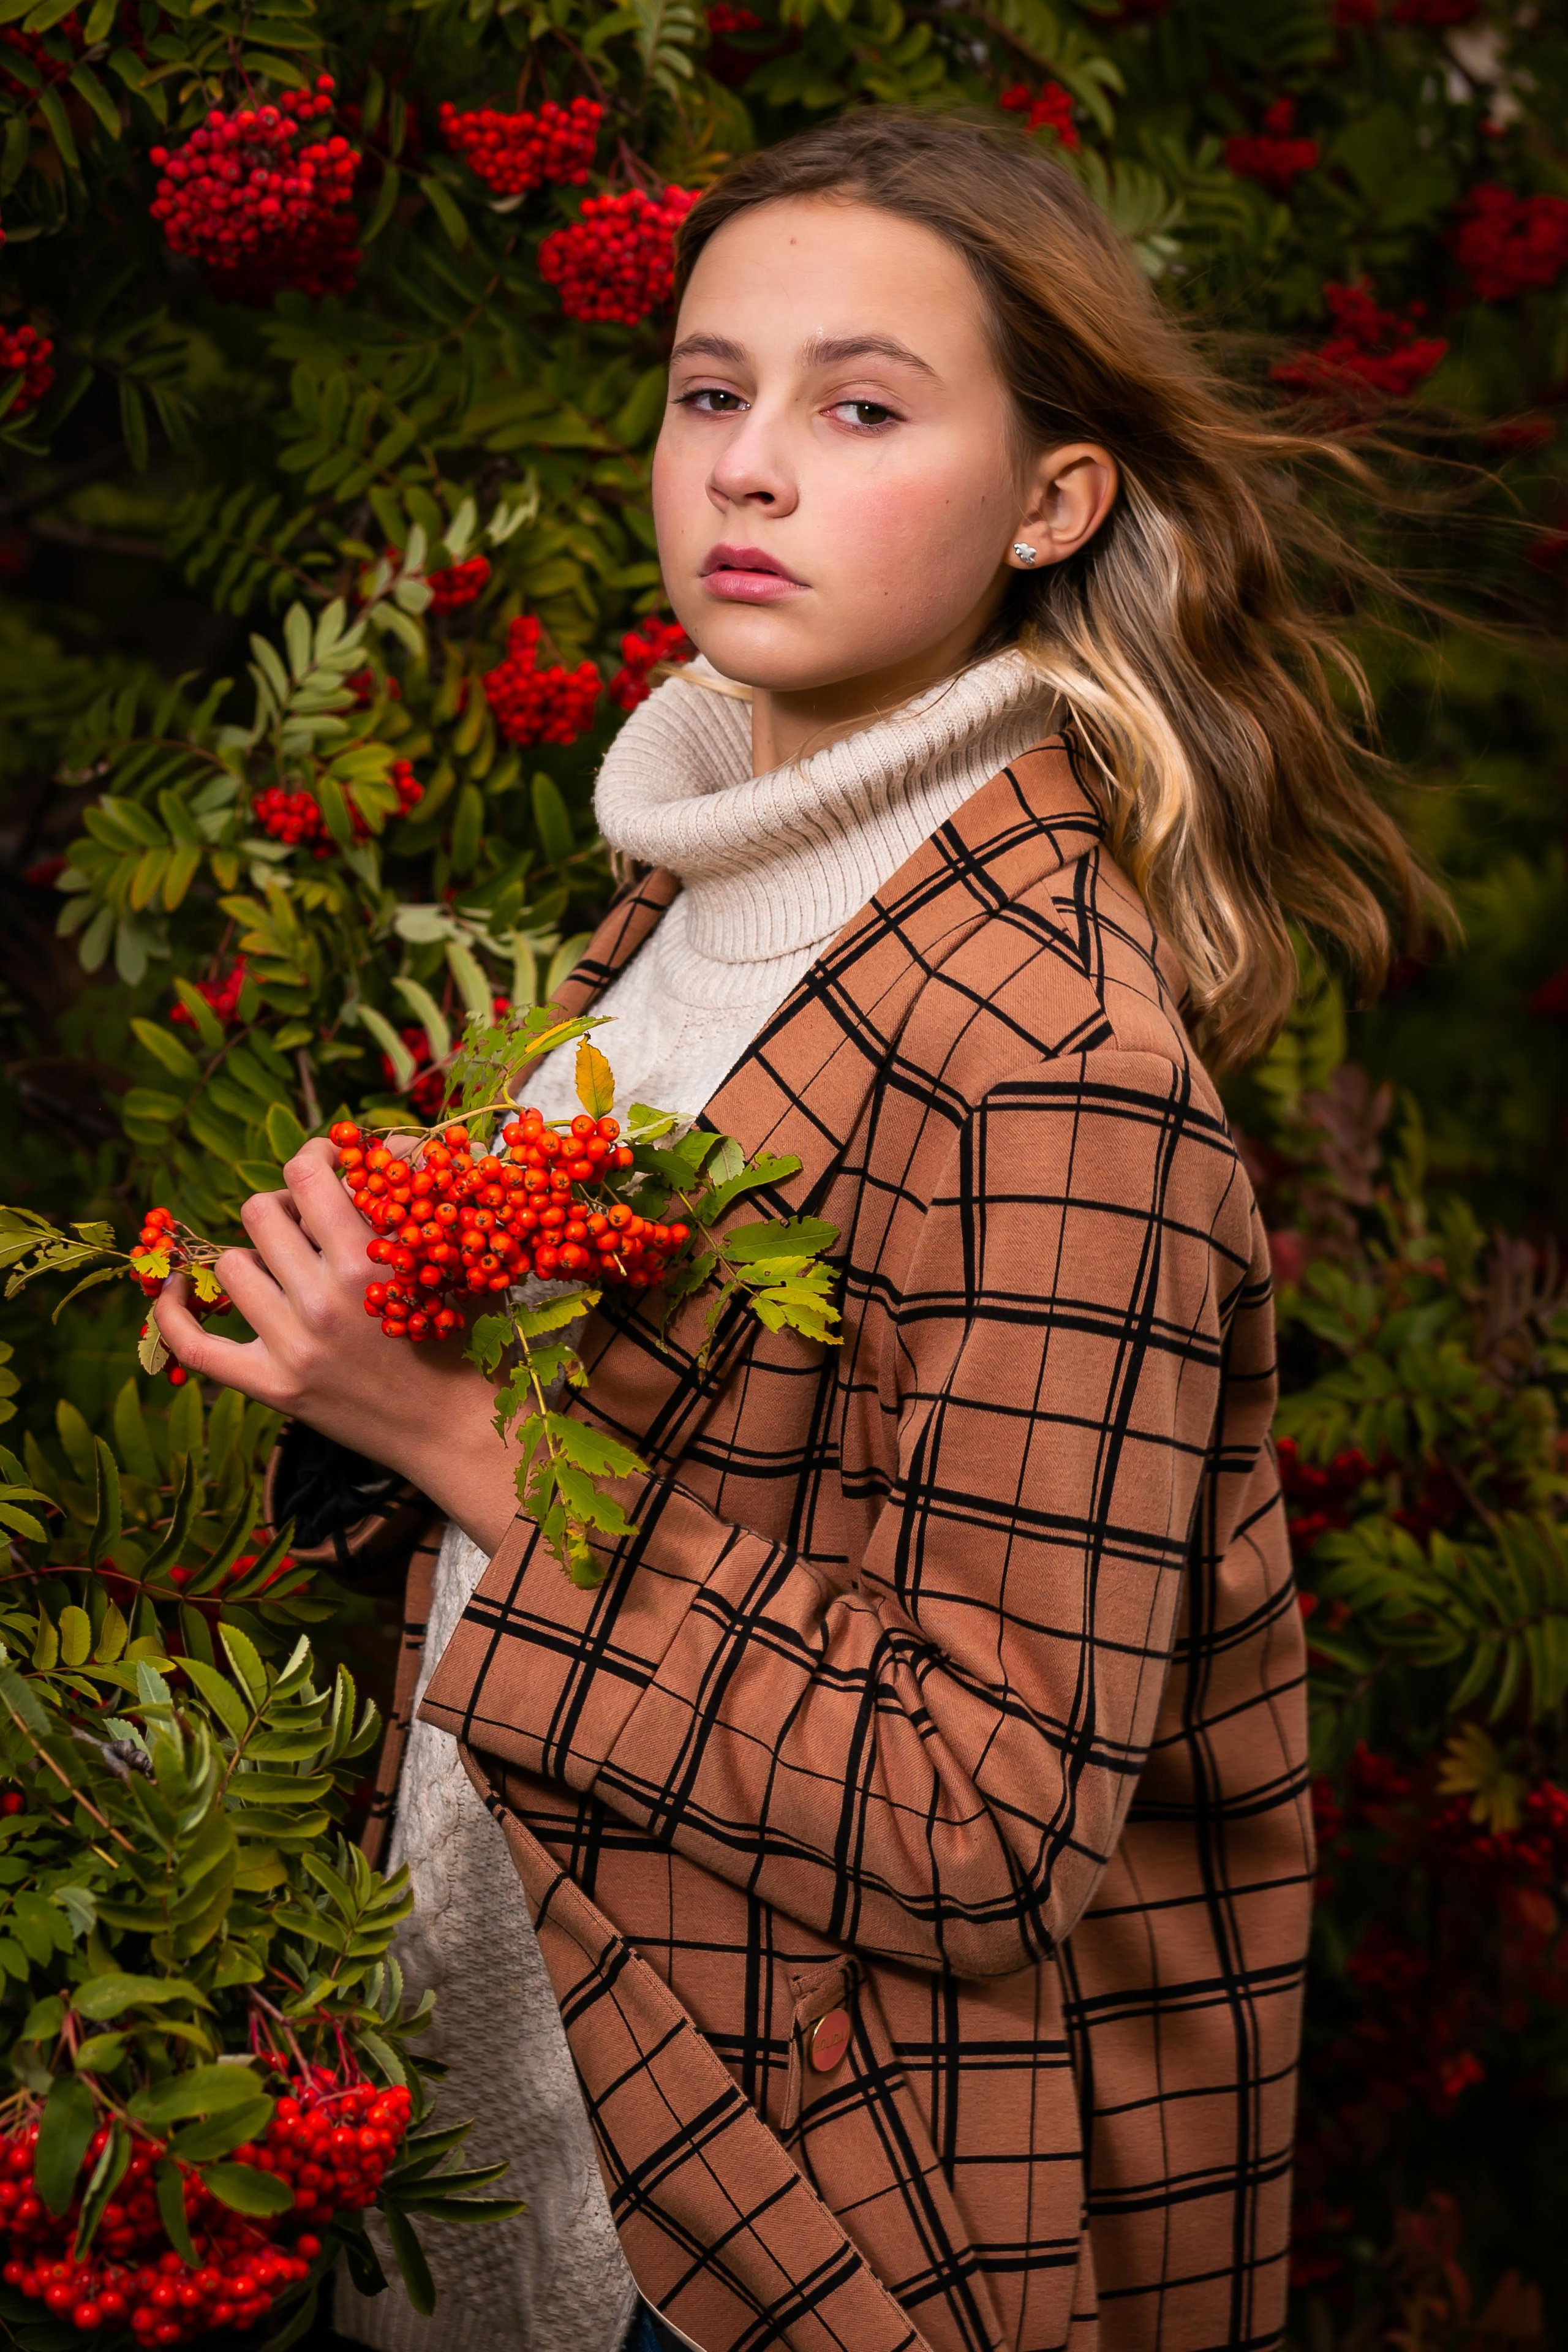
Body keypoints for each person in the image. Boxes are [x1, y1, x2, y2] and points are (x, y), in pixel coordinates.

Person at [156, 108, 1441, 2352]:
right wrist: (357, 1369)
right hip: (510, 2131)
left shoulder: (1050, 1048)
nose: (747, 467)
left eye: (861, 406)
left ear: (1056, 499)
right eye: (708, 387)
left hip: (795, 2230)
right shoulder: (701, 881)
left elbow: (989, 1821)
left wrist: (456, 1435)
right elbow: (697, 1459)